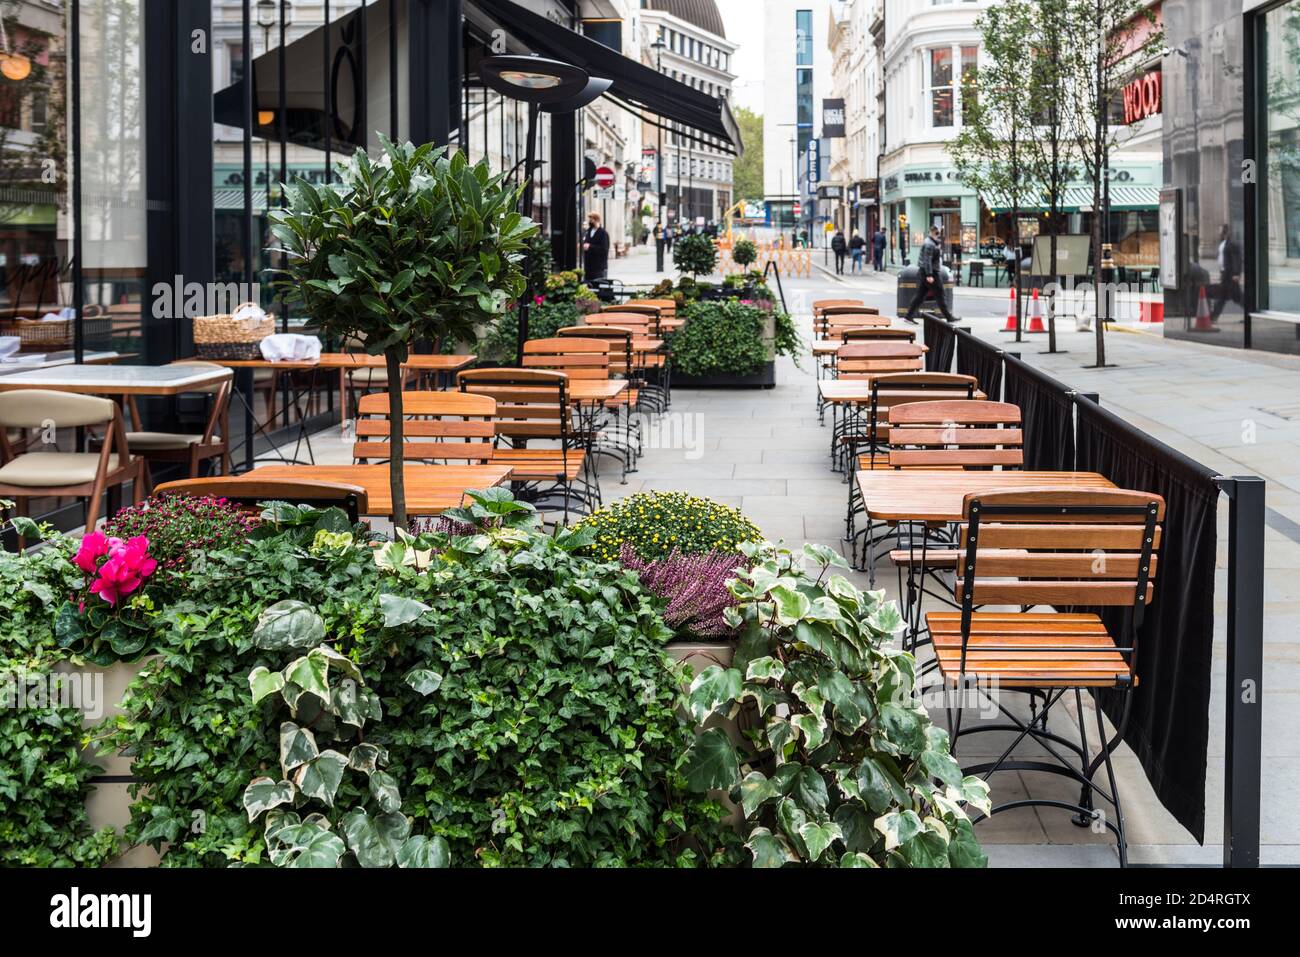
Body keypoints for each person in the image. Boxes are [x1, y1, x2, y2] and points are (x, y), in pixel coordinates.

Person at [903, 226, 958, 324]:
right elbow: (927, 260)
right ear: (931, 233)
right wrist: (929, 275)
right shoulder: (929, 244)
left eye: (938, 233)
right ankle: (949, 317)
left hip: (926, 271)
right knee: (940, 294)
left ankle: (908, 316)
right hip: (930, 272)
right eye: (936, 233)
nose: (938, 235)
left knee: (920, 296)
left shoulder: (931, 243)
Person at [1211, 223, 1243, 319]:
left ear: (1226, 232)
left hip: (1230, 274)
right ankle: (1213, 316)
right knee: (1235, 296)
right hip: (1225, 273)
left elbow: (1236, 259)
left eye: (1220, 230)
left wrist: (1236, 273)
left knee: (1224, 296)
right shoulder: (1223, 243)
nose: (1218, 232)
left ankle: (1213, 317)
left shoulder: (1232, 244)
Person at [582, 211, 610, 284]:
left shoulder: (603, 233)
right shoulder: (588, 232)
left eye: (591, 220)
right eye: (589, 220)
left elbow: (604, 249)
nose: (590, 221)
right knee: (589, 287)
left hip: (599, 267)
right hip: (588, 267)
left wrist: (590, 247)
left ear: (597, 220)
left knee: (599, 287)